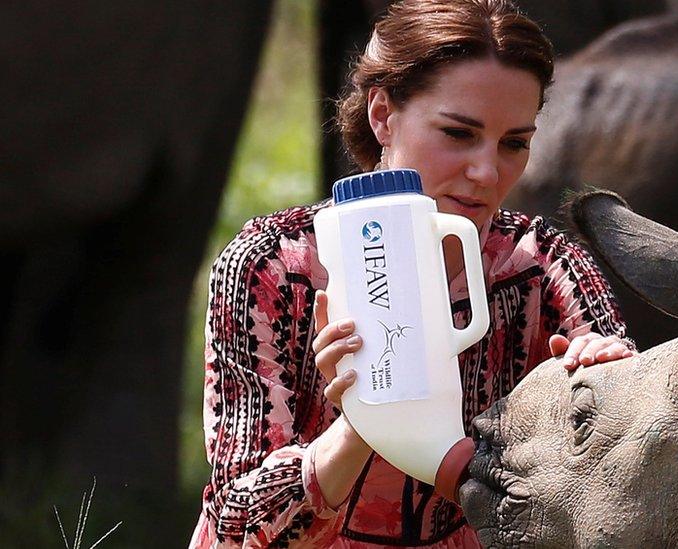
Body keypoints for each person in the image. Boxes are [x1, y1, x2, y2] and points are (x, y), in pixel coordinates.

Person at [190, 0, 634, 546]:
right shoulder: (269, 267)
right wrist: (366, 416)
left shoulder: (542, 264)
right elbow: (240, 524)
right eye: (457, 132)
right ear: (382, 114)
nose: (487, 172)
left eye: (514, 143)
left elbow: (626, 471)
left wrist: (606, 383)